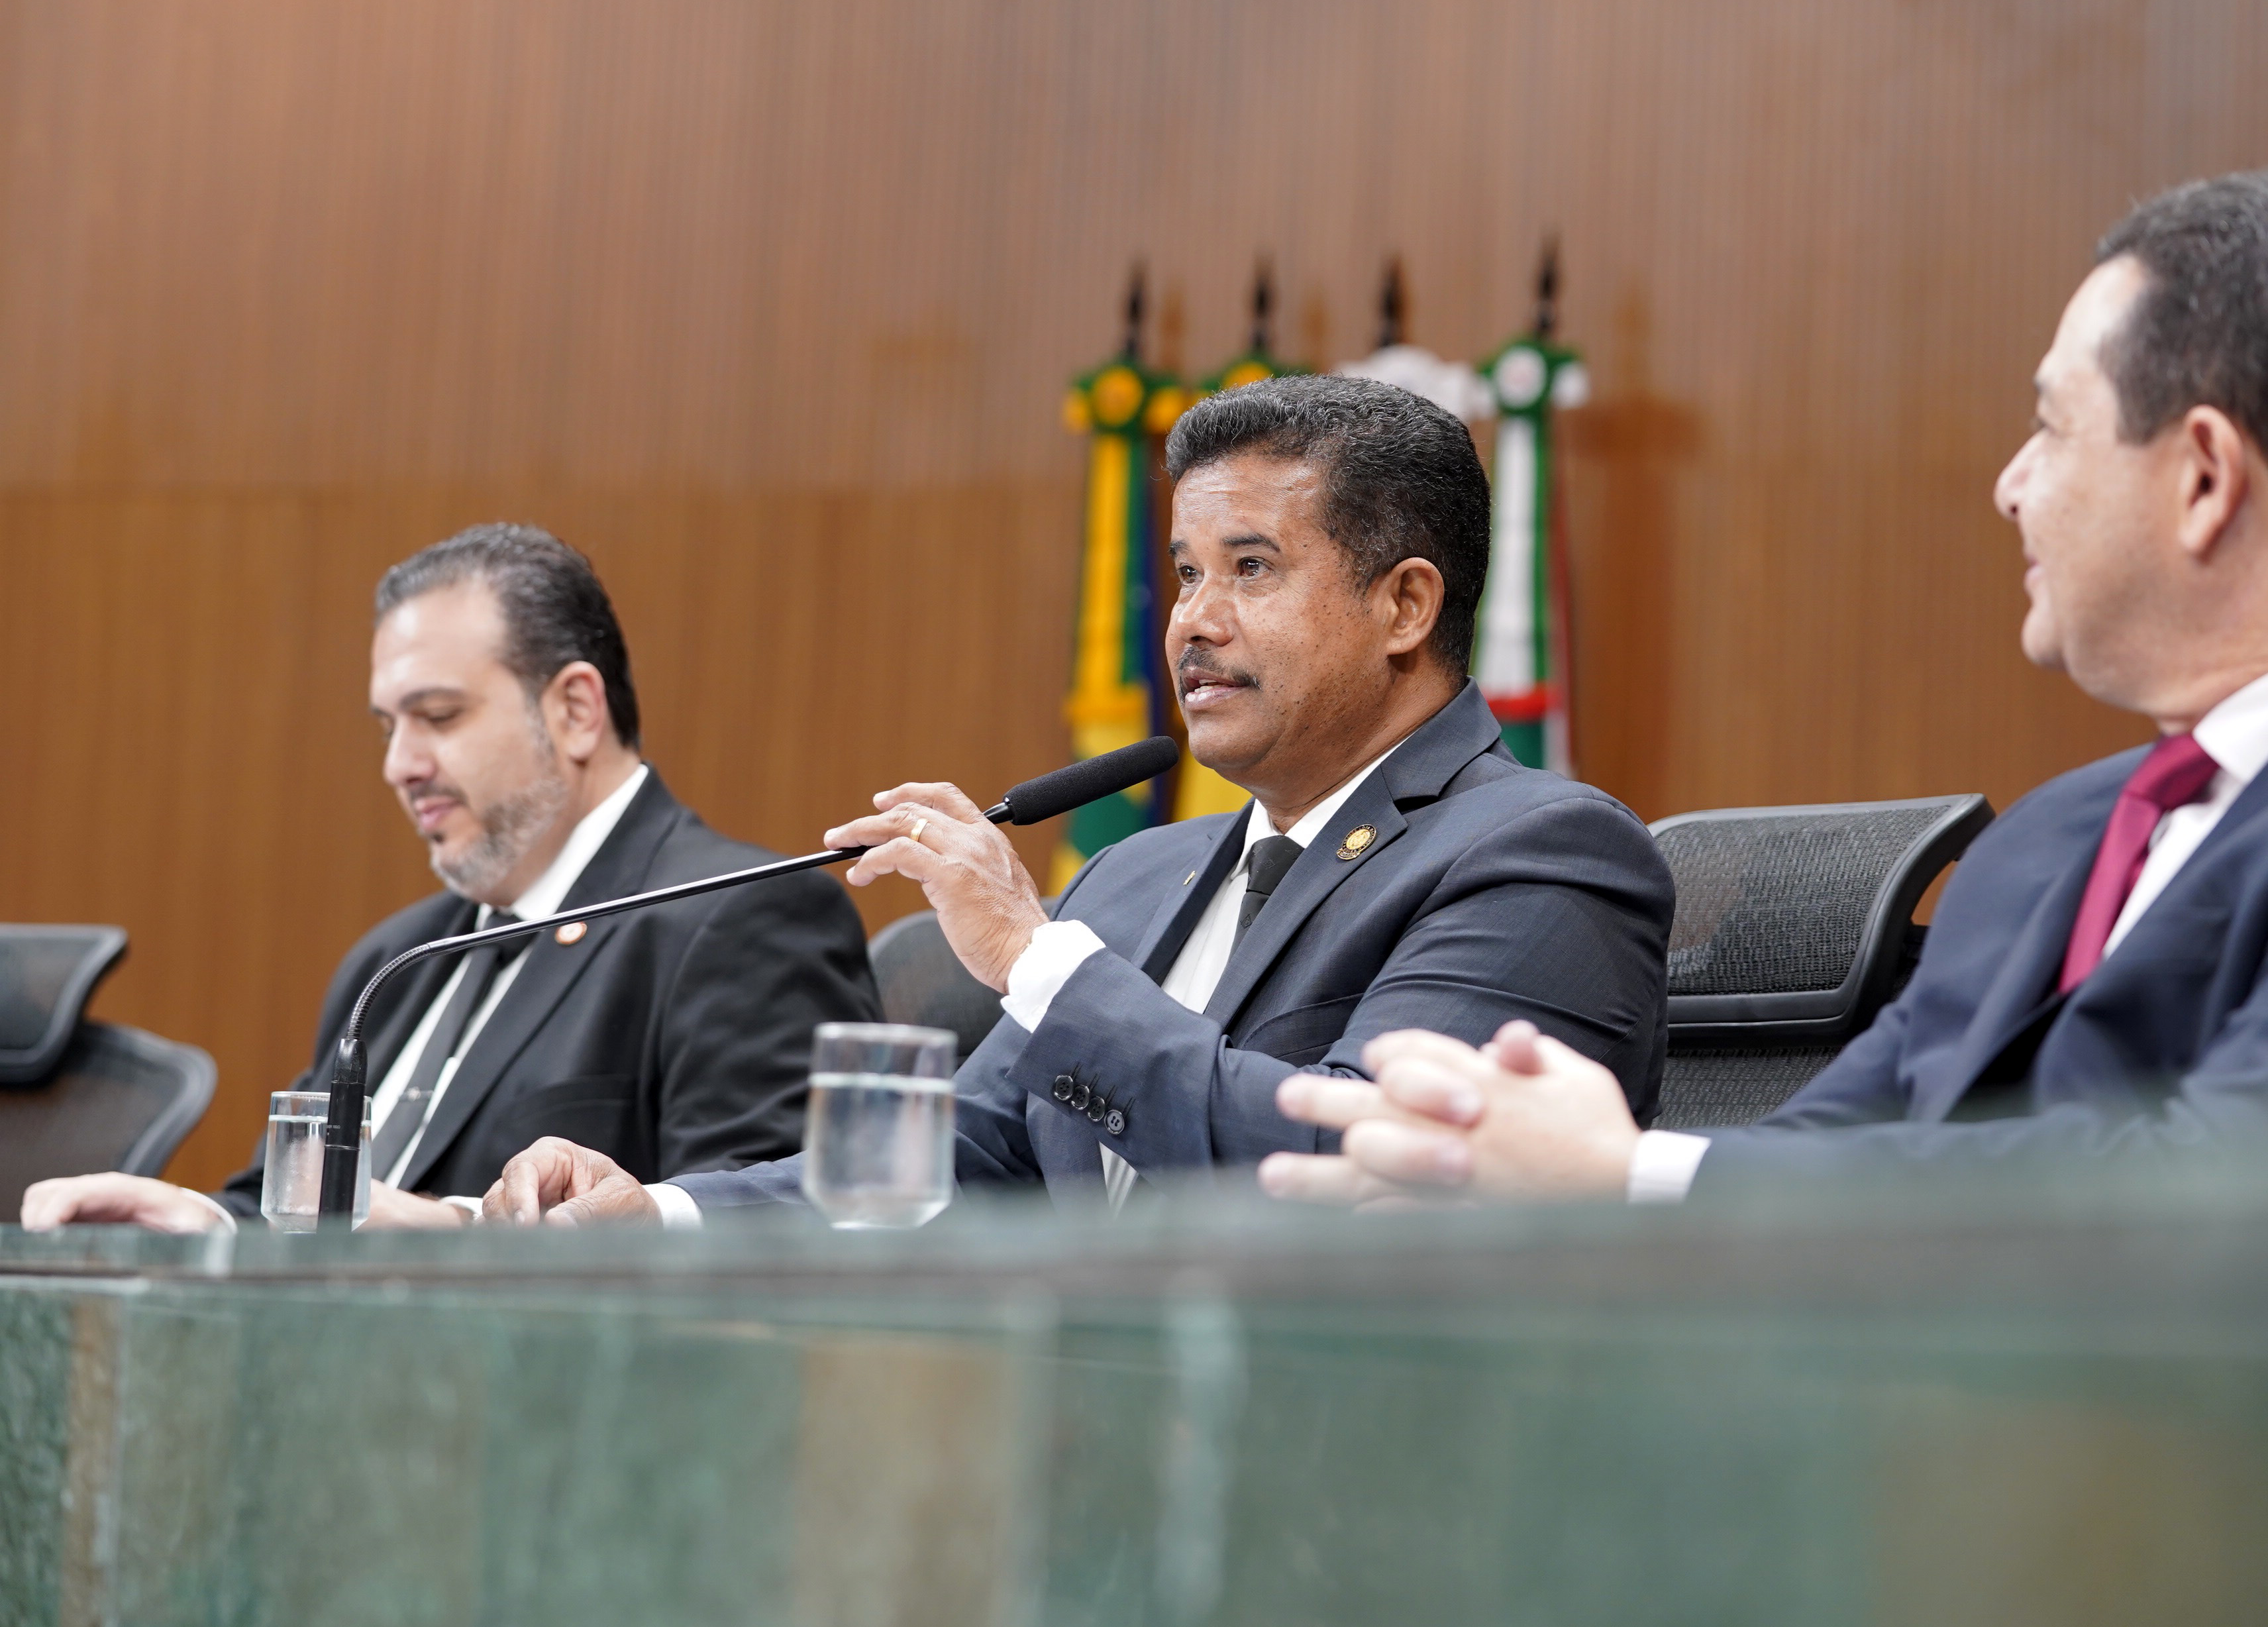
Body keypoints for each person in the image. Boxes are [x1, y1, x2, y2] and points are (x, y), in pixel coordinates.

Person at [1261, 170, 2268, 1208]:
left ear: (2204, 478)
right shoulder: (2062, 835)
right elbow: (1821, 1152)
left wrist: (1631, 1176)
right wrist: (1501, 1162)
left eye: (2051, 426)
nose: (2011, 486)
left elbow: (2234, 1203)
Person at [485, 374, 1675, 1222]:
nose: (1193, 621)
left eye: (1251, 569)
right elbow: (960, 1161)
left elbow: (1351, 1165)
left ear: (1405, 606)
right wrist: (665, 1214)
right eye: (1188, 572)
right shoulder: (1133, 878)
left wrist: (1032, 957)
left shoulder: (1542, 853)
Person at [21, 524, 877, 1233]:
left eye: (437, 716)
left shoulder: (739, 914)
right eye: (388, 727)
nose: (400, 765)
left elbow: (762, 1235)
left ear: (575, 710)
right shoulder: (395, 960)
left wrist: (451, 1231)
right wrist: (207, 1223)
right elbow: (300, 1211)